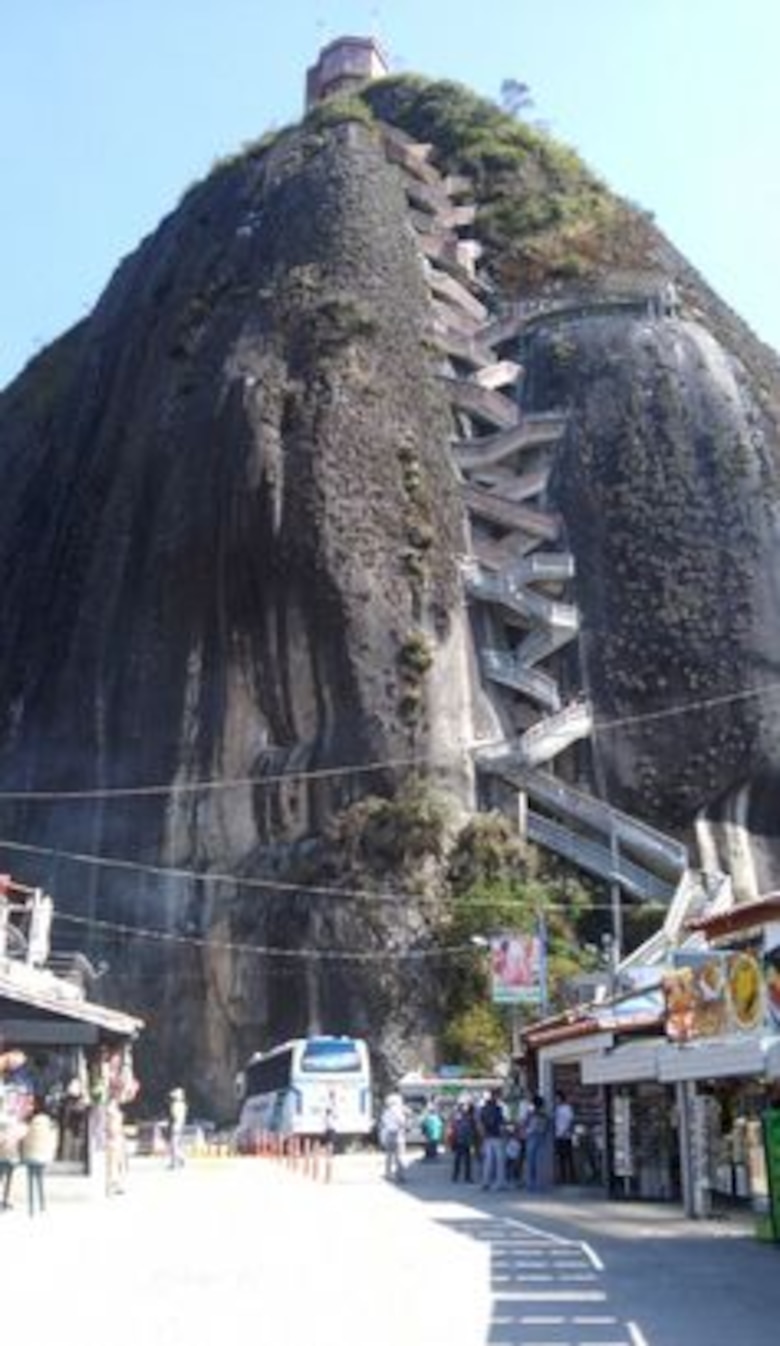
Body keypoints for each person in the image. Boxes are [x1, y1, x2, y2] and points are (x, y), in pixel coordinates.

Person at [20, 1097, 58, 1216]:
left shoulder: (30, 1125)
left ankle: (33, 1206)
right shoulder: (50, 1125)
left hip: (29, 1156)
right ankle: (41, 1204)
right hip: (45, 1156)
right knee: (38, 1176)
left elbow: (23, 1139)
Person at [479, 1088, 507, 1191]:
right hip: (497, 1136)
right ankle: (500, 1183)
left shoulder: (484, 1108)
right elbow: (501, 1123)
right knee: (500, 1161)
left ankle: (485, 1182)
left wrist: (483, 1134)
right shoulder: (498, 1108)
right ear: (496, 1096)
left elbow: (481, 1122)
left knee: (488, 1161)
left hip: (487, 1137)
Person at [379, 1092, 408, 1183]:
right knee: (399, 1156)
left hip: (388, 1134)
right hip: (397, 1134)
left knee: (389, 1155)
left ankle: (388, 1174)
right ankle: (400, 1176)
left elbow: (383, 1123)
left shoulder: (386, 1111)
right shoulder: (397, 1110)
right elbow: (401, 1122)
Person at [525, 1093, 551, 1191]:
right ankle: (540, 1183)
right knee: (539, 1161)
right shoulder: (545, 1114)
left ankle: (531, 1183)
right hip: (542, 1137)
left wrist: (526, 1131)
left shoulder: (532, 1114)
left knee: (531, 1161)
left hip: (532, 1137)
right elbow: (547, 1126)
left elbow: (528, 1125)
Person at [449, 1101, 477, 1183]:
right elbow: (454, 1128)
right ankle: (458, 1176)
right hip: (461, 1140)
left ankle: (463, 1176)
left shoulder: (468, 1117)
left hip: (465, 1140)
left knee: (465, 1160)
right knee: (460, 1159)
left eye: (466, 1106)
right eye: (464, 1106)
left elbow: (473, 1129)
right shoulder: (461, 1117)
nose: (465, 1108)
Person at [554, 1090, 576, 1185]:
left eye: (557, 1098)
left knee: (569, 1158)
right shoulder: (556, 1109)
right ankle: (563, 1177)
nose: (556, 1100)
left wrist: (566, 1131)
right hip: (558, 1135)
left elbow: (571, 1121)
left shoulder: (567, 1108)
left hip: (565, 1136)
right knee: (560, 1158)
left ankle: (572, 1177)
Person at [168, 1086, 188, 1169]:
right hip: (180, 1125)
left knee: (174, 1145)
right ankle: (180, 1160)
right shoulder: (183, 1105)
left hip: (176, 1126)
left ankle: (175, 1162)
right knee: (177, 1145)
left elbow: (175, 1116)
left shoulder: (176, 1105)